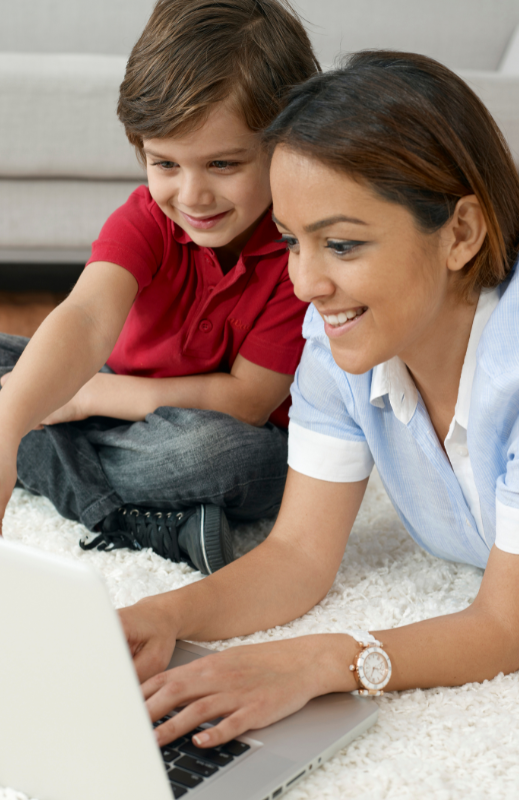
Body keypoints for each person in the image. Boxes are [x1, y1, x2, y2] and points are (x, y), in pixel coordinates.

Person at [111, 51, 519, 752]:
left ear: (460, 233)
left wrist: (322, 661)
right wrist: (165, 614)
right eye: (292, 243)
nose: (304, 283)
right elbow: (299, 553)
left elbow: (507, 625)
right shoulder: (340, 345)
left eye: (341, 244)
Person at [0, 0, 319, 574]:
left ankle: (31, 460)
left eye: (221, 165)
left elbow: (246, 401)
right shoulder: (146, 219)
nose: (192, 196)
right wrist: (6, 428)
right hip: (117, 392)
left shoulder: (302, 250)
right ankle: (134, 513)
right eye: (165, 164)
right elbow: (85, 318)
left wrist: (81, 399)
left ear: (286, 145)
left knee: (226, 458)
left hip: (222, 430)